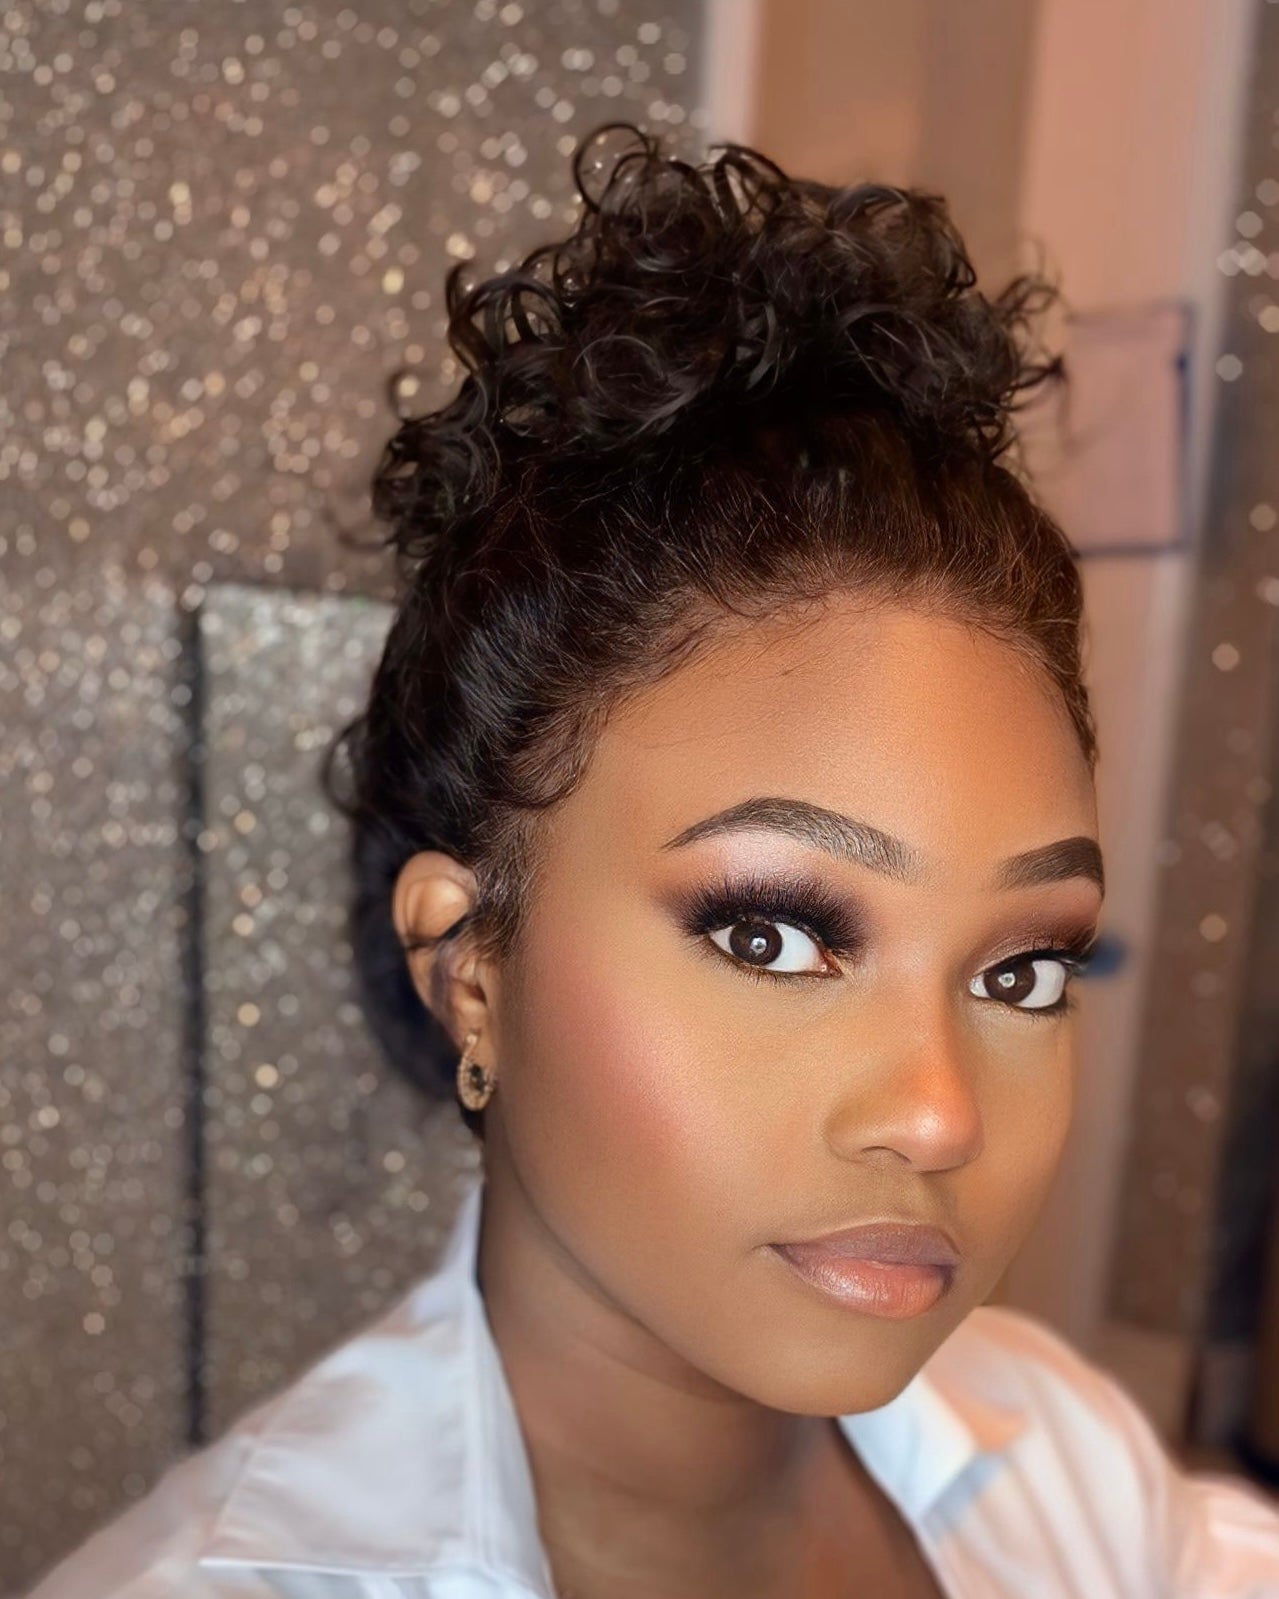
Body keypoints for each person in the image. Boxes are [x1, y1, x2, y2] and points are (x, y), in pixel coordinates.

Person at [26, 123, 1279, 1599]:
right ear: (469, 970)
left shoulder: (1073, 1466)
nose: (940, 1117)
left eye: (1022, 972)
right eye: (774, 936)